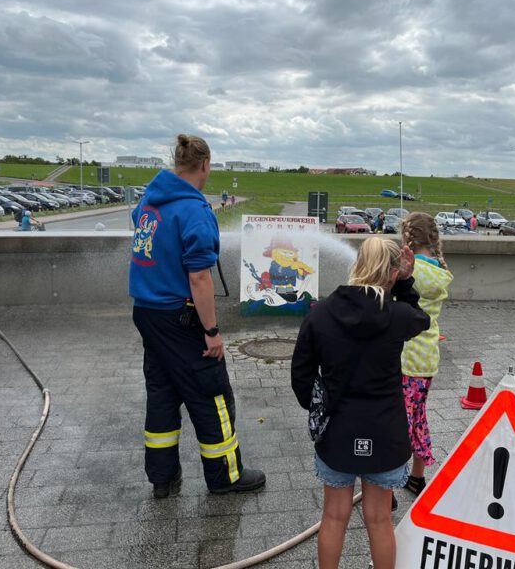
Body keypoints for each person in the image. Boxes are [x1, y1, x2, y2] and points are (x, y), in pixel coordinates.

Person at [129, 134, 266, 498]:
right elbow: (200, 277)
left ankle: (162, 478)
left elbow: (143, 231)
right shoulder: (193, 209)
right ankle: (226, 476)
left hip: (146, 312)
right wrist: (212, 331)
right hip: (180, 318)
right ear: (204, 165)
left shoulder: (149, 200)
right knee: (211, 393)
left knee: (161, 391)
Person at [291, 238, 430, 569]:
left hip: (337, 431)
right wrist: (407, 282)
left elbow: (301, 376)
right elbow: (421, 318)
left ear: (357, 264)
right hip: (385, 433)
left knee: (334, 516)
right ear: (392, 273)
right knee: (379, 520)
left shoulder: (320, 313)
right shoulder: (397, 316)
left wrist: (316, 407)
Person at [400, 212, 454, 497]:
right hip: (427, 358)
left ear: (407, 238)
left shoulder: (408, 270)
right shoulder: (439, 271)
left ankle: (389, 485)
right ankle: (416, 478)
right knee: (418, 418)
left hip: (405, 358)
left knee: (398, 423)